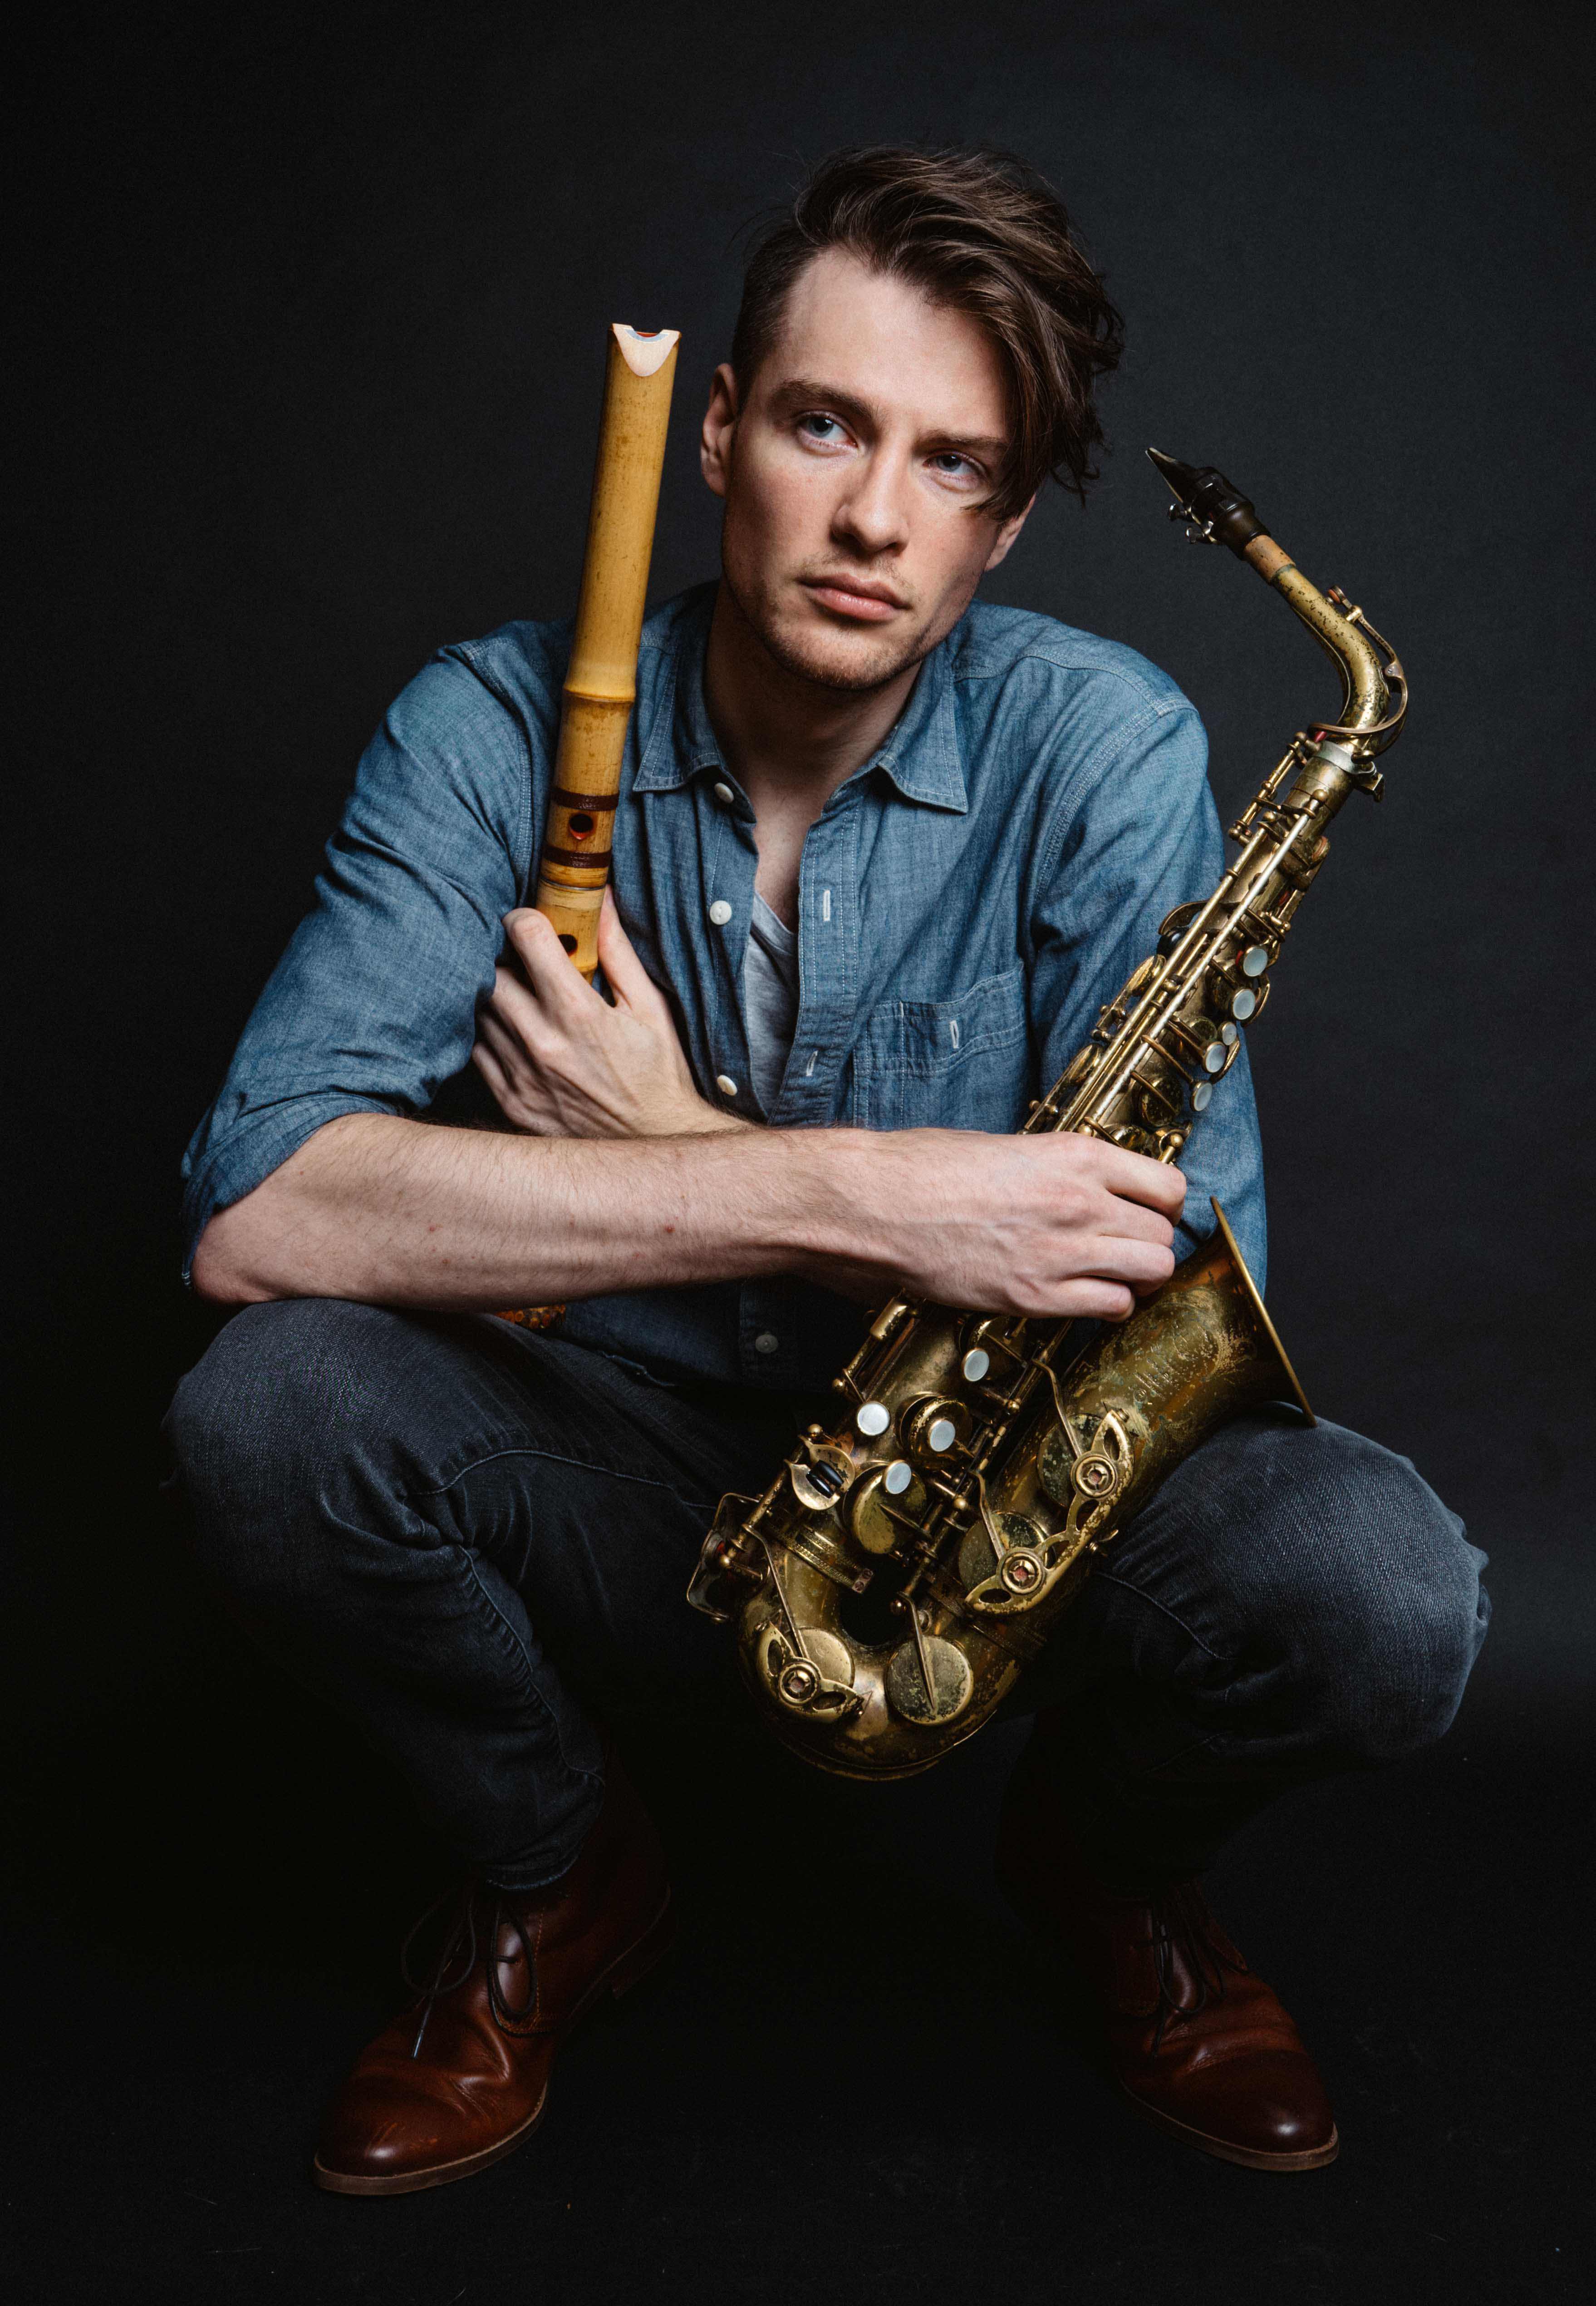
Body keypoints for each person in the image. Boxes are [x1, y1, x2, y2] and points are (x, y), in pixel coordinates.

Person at [166, 144, 1487, 2193]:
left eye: (952, 465)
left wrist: (681, 1140)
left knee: (1381, 1589)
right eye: (821, 424)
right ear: (719, 434)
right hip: (624, 1469)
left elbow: (1151, 1294)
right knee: (266, 1419)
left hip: (986, 1501)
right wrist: (859, 1193)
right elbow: (264, 1209)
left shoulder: (1106, 746)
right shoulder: (487, 730)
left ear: (1010, 522)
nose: (875, 515)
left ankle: (1101, 1872)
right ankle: (559, 1870)